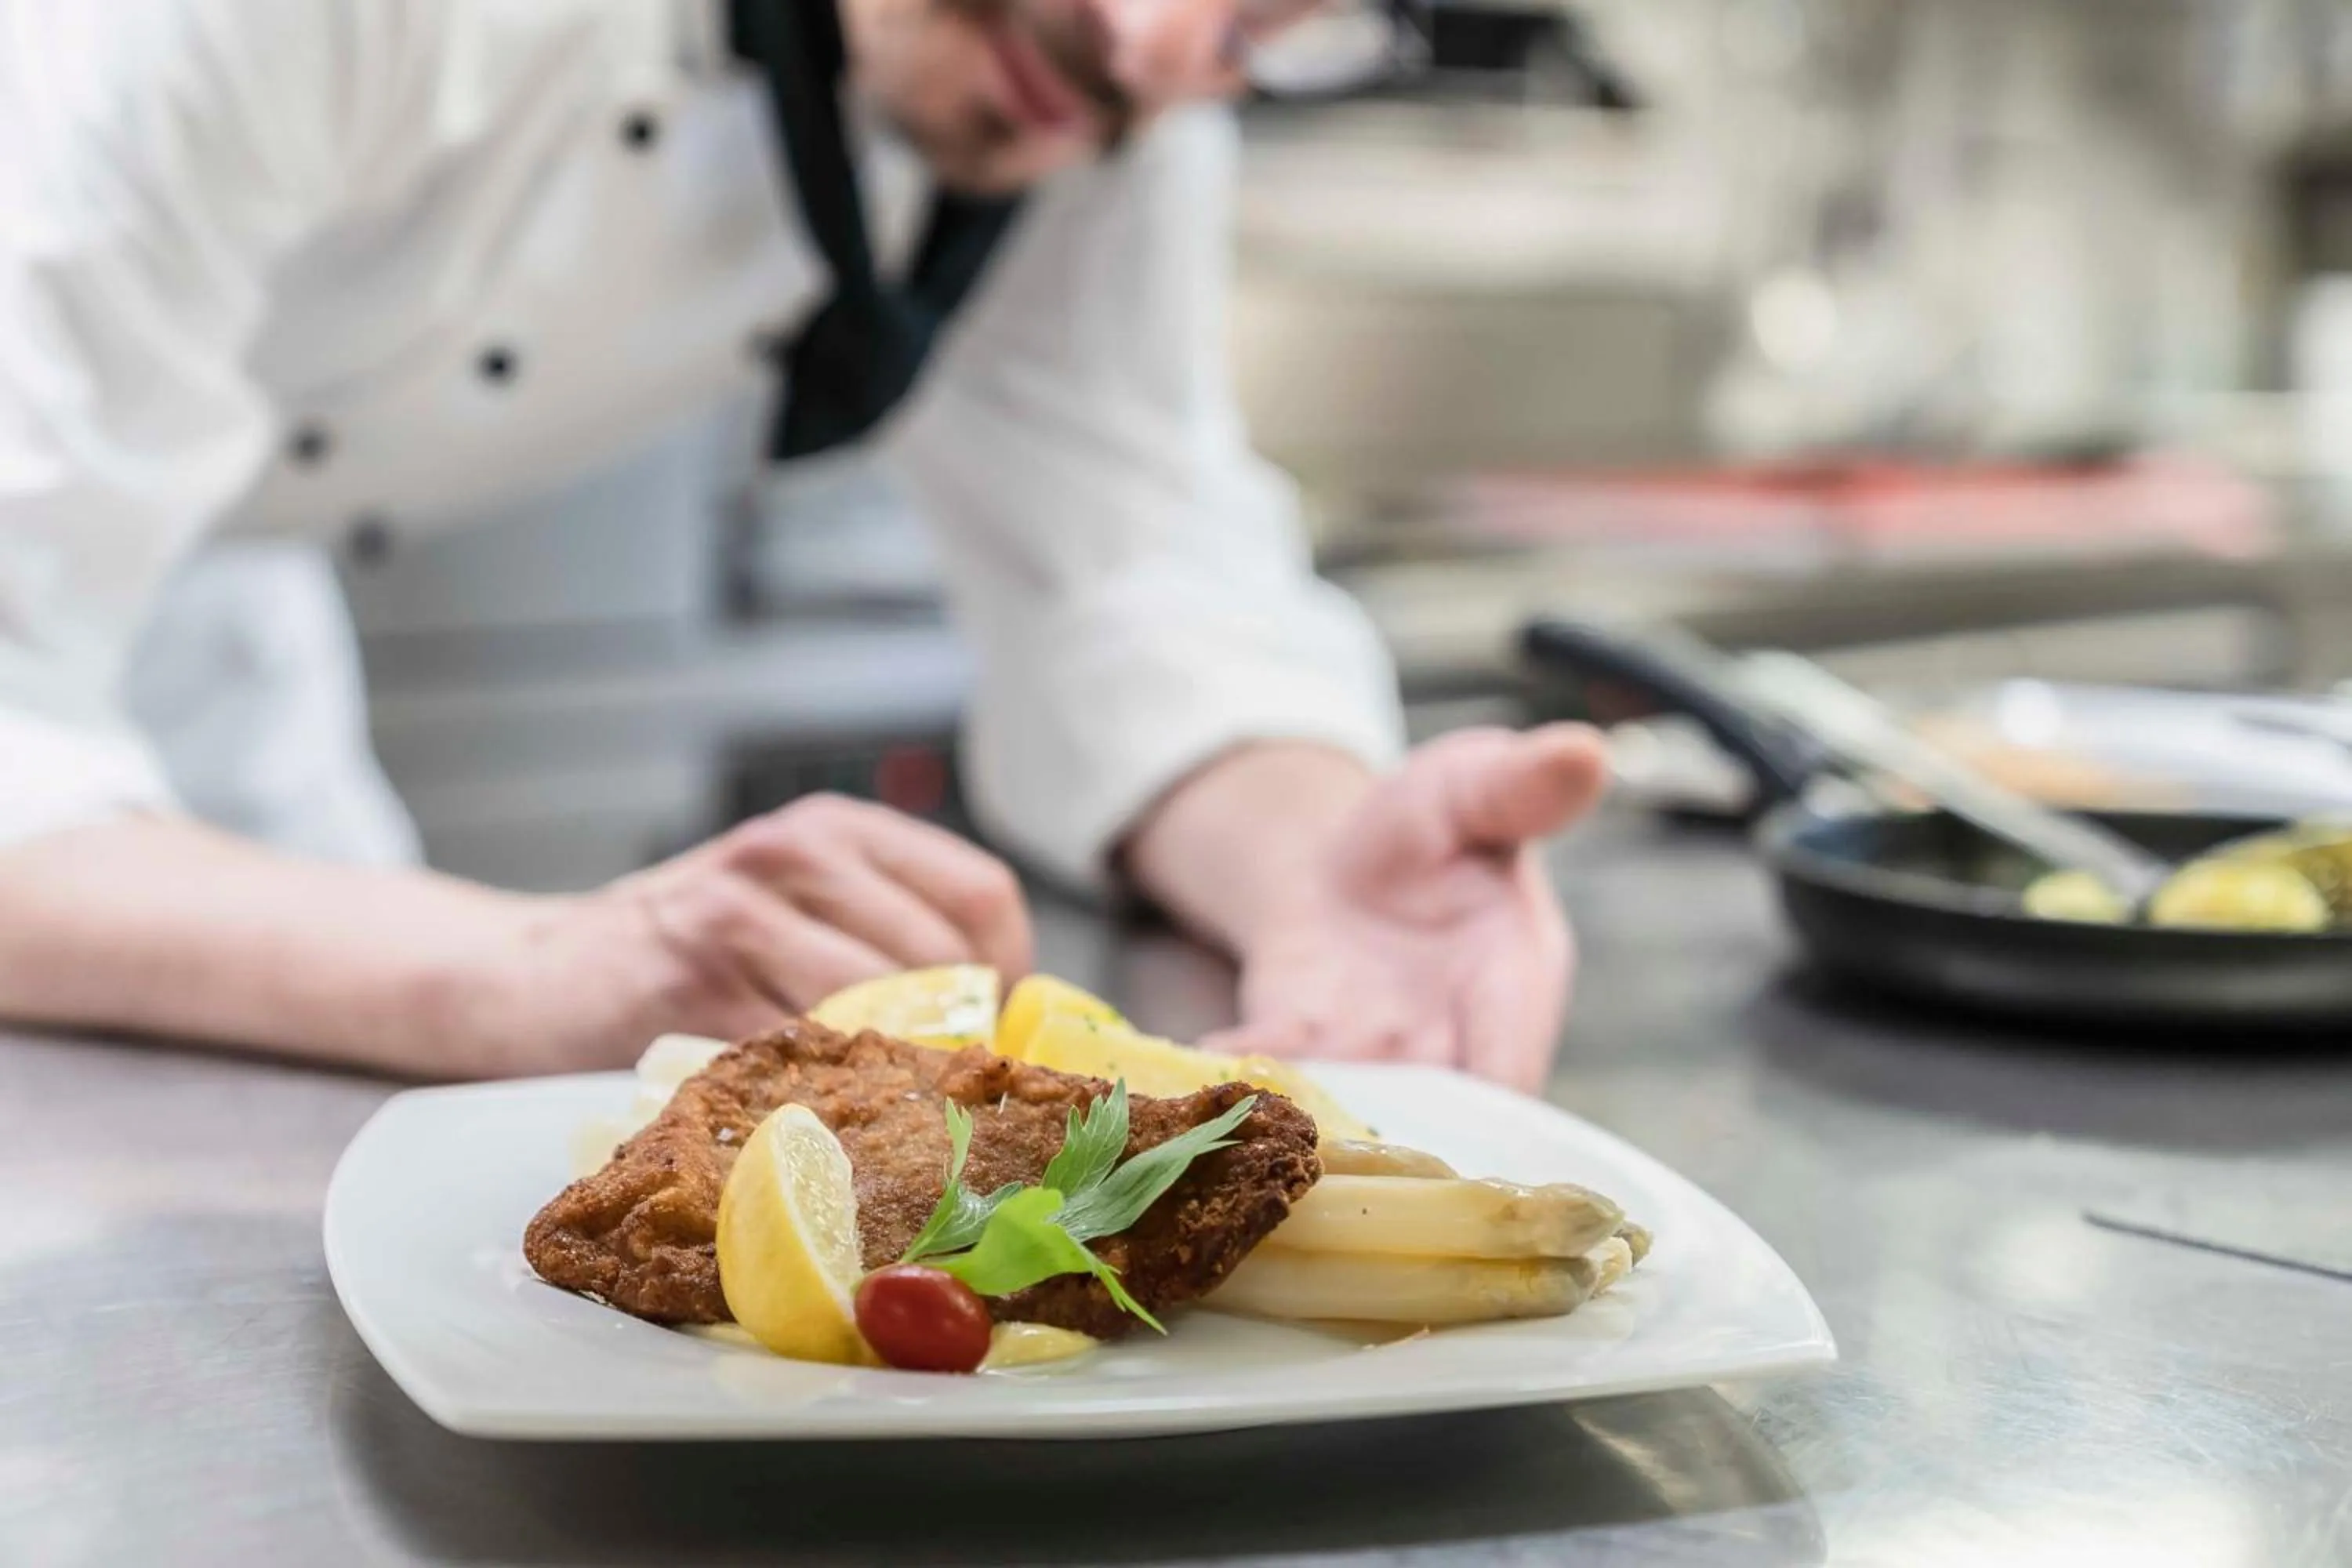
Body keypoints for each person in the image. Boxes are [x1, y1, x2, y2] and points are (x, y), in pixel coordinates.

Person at [0, 0, 1607, 1090]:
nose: (1142, 42)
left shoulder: (1091, 87)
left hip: (219, 689)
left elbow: (1135, 574)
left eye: (1264, 20)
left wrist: (1315, 861)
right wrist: (521, 972)